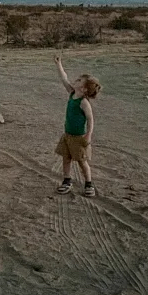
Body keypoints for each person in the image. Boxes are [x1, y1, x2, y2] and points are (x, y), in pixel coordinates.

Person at [53, 55, 101, 196]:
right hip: (67, 135)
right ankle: (67, 181)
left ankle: (89, 184)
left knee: (82, 161)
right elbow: (64, 79)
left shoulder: (83, 102)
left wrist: (88, 135)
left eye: (80, 80)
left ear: (85, 89)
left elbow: (90, 119)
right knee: (66, 159)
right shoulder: (72, 93)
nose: (76, 80)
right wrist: (58, 64)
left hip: (79, 137)